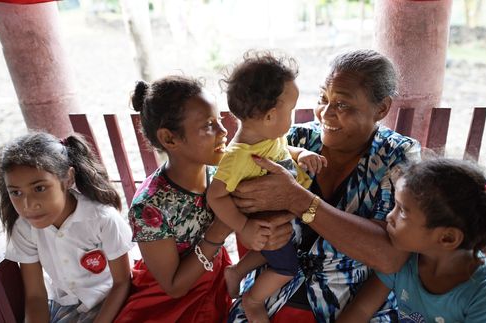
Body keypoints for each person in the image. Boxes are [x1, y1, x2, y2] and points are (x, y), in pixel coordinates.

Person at [228, 49, 421, 322]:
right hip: (267, 299)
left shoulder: (395, 156)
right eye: (323, 99)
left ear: (381, 109)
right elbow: (235, 191)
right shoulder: (293, 141)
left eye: (342, 105)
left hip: (349, 307)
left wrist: (298, 199)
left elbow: (390, 256)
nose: (325, 114)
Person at [114, 75, 293, 323]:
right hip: (168, 307)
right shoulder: (150, 207)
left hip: (216, 287)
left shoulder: (219, 174)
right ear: (169, 138)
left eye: (219, 120)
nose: (223, 131)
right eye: (209, 125)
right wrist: (218, 232)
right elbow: (173, 287)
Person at [207, 51, 326, 323]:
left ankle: (236, 272)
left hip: (284, 219)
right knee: (286, 267)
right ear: (271, 116)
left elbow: (281, 150)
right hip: (267, 223)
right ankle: (254, 300)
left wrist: (300, 154)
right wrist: (244, 226)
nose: (293, 117)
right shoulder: (238, 156)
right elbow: (216, 195)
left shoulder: (266, 137)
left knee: (276, 249)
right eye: (291, 110)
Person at [0, 132, 133, 323]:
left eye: (39, 188)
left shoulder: (102, 219)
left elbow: (122, 282)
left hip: (112, 302)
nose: (28, 204)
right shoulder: (24, 229)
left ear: (67, 178)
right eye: (16, 192)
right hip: (65, 308)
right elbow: (35, 296)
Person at [337, 158, 486, 322]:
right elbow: (361, 310)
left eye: (402, 211)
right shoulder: (403, 260)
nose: (389, 217)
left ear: (447, 238)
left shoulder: (481, 292)